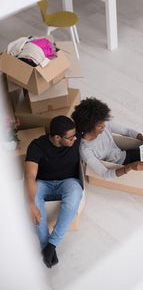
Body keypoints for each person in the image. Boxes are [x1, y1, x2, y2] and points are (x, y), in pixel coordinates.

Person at [24, 115, 83, 268]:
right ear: (57, 138)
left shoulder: (76, 138)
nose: (75, 139)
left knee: (75, 194)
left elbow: (104, 126)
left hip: (68, 182)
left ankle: (52, 244)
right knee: (30, 200)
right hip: (43, 183)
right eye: (70, 138)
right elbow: (30, 176)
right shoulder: (36, 146)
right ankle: (46, 245)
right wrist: (31, 203)